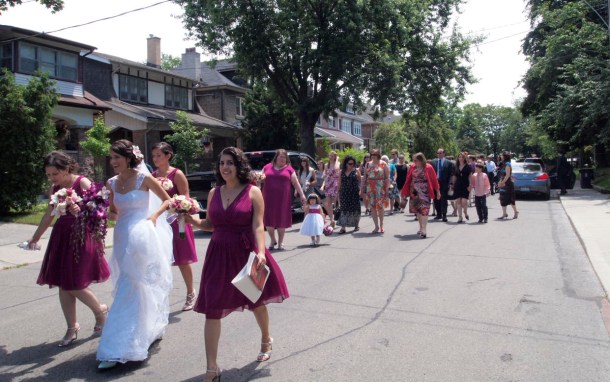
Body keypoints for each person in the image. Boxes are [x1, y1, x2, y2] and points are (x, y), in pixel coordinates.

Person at [185, 147, 290, 382]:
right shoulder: (214, 193)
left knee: (256, 302)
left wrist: (261, 252)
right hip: (217, 256)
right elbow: (211, 224)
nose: (225, 167)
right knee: (212, 308)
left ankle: (266, 338)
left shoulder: (253, 192)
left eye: (230, 163)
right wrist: (192, 220)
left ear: (238, 165)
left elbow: (258, 226)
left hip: (246, 254)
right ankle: (211, 367)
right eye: (222, 163)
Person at [97, 140, 173, 369]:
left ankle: (119, 346)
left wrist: (153, 216)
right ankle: (144, 330)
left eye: (116, 158)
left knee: (138, 284)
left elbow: (168, 201)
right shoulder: (111, 183)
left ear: (128, 158)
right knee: (128, 284)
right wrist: (97, 211)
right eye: (111, 158)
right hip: (122, 236)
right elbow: (112, 211)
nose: (113, 162)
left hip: (143, 236)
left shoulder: (144, 179)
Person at [28, 151, 110, 347]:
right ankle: (71, 327)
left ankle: (100, 311)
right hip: (62, 236)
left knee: (75, 283)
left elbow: (100, 210)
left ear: (66, 169)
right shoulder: (55, 188)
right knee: (63, 283)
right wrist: (36, 237)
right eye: (48, 174)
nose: (51, 178)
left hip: (82, 236)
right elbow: (50, 214)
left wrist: (79, 210)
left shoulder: (82, 183)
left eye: (54, 173)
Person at [151, 142, 198, 311]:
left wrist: (176, 205)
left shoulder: (177, 174)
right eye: (154, 156)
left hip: (177, 221)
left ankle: (191, 292)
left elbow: (186, 198)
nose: (155, 159)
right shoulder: (153, 175)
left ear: (168, 155)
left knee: (182, 259)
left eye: (159, 155)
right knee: (161, 260)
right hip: (161, 221)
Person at [260, 149, 306, 250]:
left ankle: (280, 242)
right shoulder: (267, 167)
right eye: (280, 157)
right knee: (268, 220)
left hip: (283, 199)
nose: (282, 159)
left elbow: (296, 183)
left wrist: (302, 195)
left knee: (281, 220)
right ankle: (272, 240)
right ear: (276, 158)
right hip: (268, 198)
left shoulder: (289, 169)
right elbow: (260, 178)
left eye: (284, 157)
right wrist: (260, 179)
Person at [400, 152, 440, 238]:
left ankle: (424, 230)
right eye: (413, 160)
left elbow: (434, 180)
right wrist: (404, 192)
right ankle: (421, 227)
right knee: (418, 210)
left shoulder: (429, 167)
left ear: (421, 160)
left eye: (416, 160)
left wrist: (438, 191)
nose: (414, 162)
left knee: (425, 210)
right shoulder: (412, 167)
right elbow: (408, 179)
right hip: (414, 192)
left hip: (425, 192)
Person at [361, 149, 389, 233]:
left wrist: (387, 190)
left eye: (374, 154)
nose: (372, 156)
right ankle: (376, 226)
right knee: (372, 207)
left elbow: (387, 178)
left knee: (380, 207)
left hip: (380, 188)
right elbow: (365, 177)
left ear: (378, 155)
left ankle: (381, 225)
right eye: (371, 154)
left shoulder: (383, 164)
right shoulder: (368, 164)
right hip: (370, 188)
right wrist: (362, 188)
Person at [337, 155, 361, 234]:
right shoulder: (341, 172)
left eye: (353, 164)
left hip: (354, 192)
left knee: (355, 209)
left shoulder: (356, 171)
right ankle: (343, 227)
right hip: (344, 192)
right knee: (344, 209)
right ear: (346, 163)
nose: (352, 165)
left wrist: (360, 190)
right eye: (350, 164)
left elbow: (360, 181)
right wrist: (338, 193)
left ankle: (356, 225)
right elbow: (339, 183)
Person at [431, 148, 454, 222]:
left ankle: (444, 214)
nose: (439, 154)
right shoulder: (433, 162)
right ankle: (438, 214)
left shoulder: (449, 163)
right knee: (436, 199)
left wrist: (450, 183)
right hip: (435, 183)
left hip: (444, 183)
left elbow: (451, 174)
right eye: (438, 153)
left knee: (443, 199)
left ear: (444, 153)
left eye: (441, 153)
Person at [321, 151, 341, 227]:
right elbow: (326, 176)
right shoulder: (327, 165)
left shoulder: (338, 164)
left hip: (336, 183)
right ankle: (332, 219)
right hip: (329, 184)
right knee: (328, 203)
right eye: (330, 155)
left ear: (335, 156)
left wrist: (337, 160)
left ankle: (338, 216)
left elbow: (336, 169)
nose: (331, 157)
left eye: (333, 156)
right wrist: (323, 186)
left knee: (336, 202)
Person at [497, 152, 519, 219]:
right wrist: (500, 182)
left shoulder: (507, 164)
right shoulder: (503, 164)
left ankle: (516, 211)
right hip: (503, 182)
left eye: (502, 156)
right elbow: (502, 175)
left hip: (508, 184)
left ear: (505, 157)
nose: (501, 156)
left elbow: (507, 175)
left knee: (511, 199)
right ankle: (504, 213)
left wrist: (502, 182)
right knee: (502, 198)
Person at [453, 152, 473, 223]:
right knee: (458, 201)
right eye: (459, 157)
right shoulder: (456, 166)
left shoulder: (468, 166)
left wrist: (470, 185)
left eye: (462, 157)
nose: (460, 158)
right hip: (458, 185)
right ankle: (460, 217)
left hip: (465, 185)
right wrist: (452, 185)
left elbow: (470, 176)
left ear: (464, 158)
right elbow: (454, 176)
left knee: (464, 201)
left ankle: (465, 212)